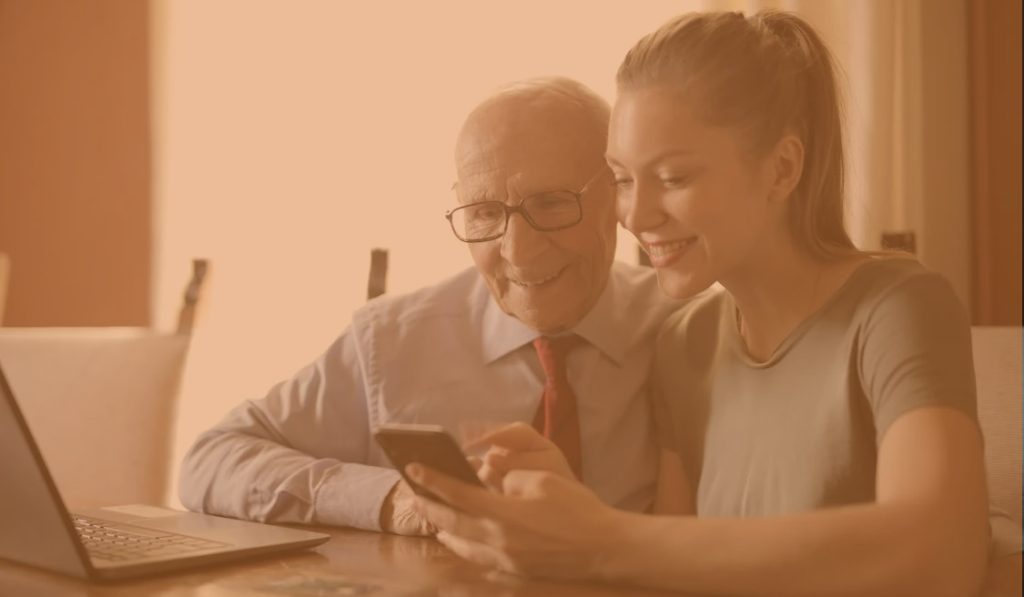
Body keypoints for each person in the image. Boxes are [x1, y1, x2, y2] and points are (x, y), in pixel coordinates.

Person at [409, 9, 1023, 597]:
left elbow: (939, 557)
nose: (636, 216)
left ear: (781, 169)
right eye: (622, 178)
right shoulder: (685, 342)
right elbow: (682, 565)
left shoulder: (897, 306)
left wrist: (598, 537)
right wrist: (572, 511)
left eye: (673, 178)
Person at [176, 76, 683, 536]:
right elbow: (211, 460)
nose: (517, 251)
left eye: (551, 203)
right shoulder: (391, 341)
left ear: (619, 195)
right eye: (485, 213)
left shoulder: (690, 331)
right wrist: (389, 498)